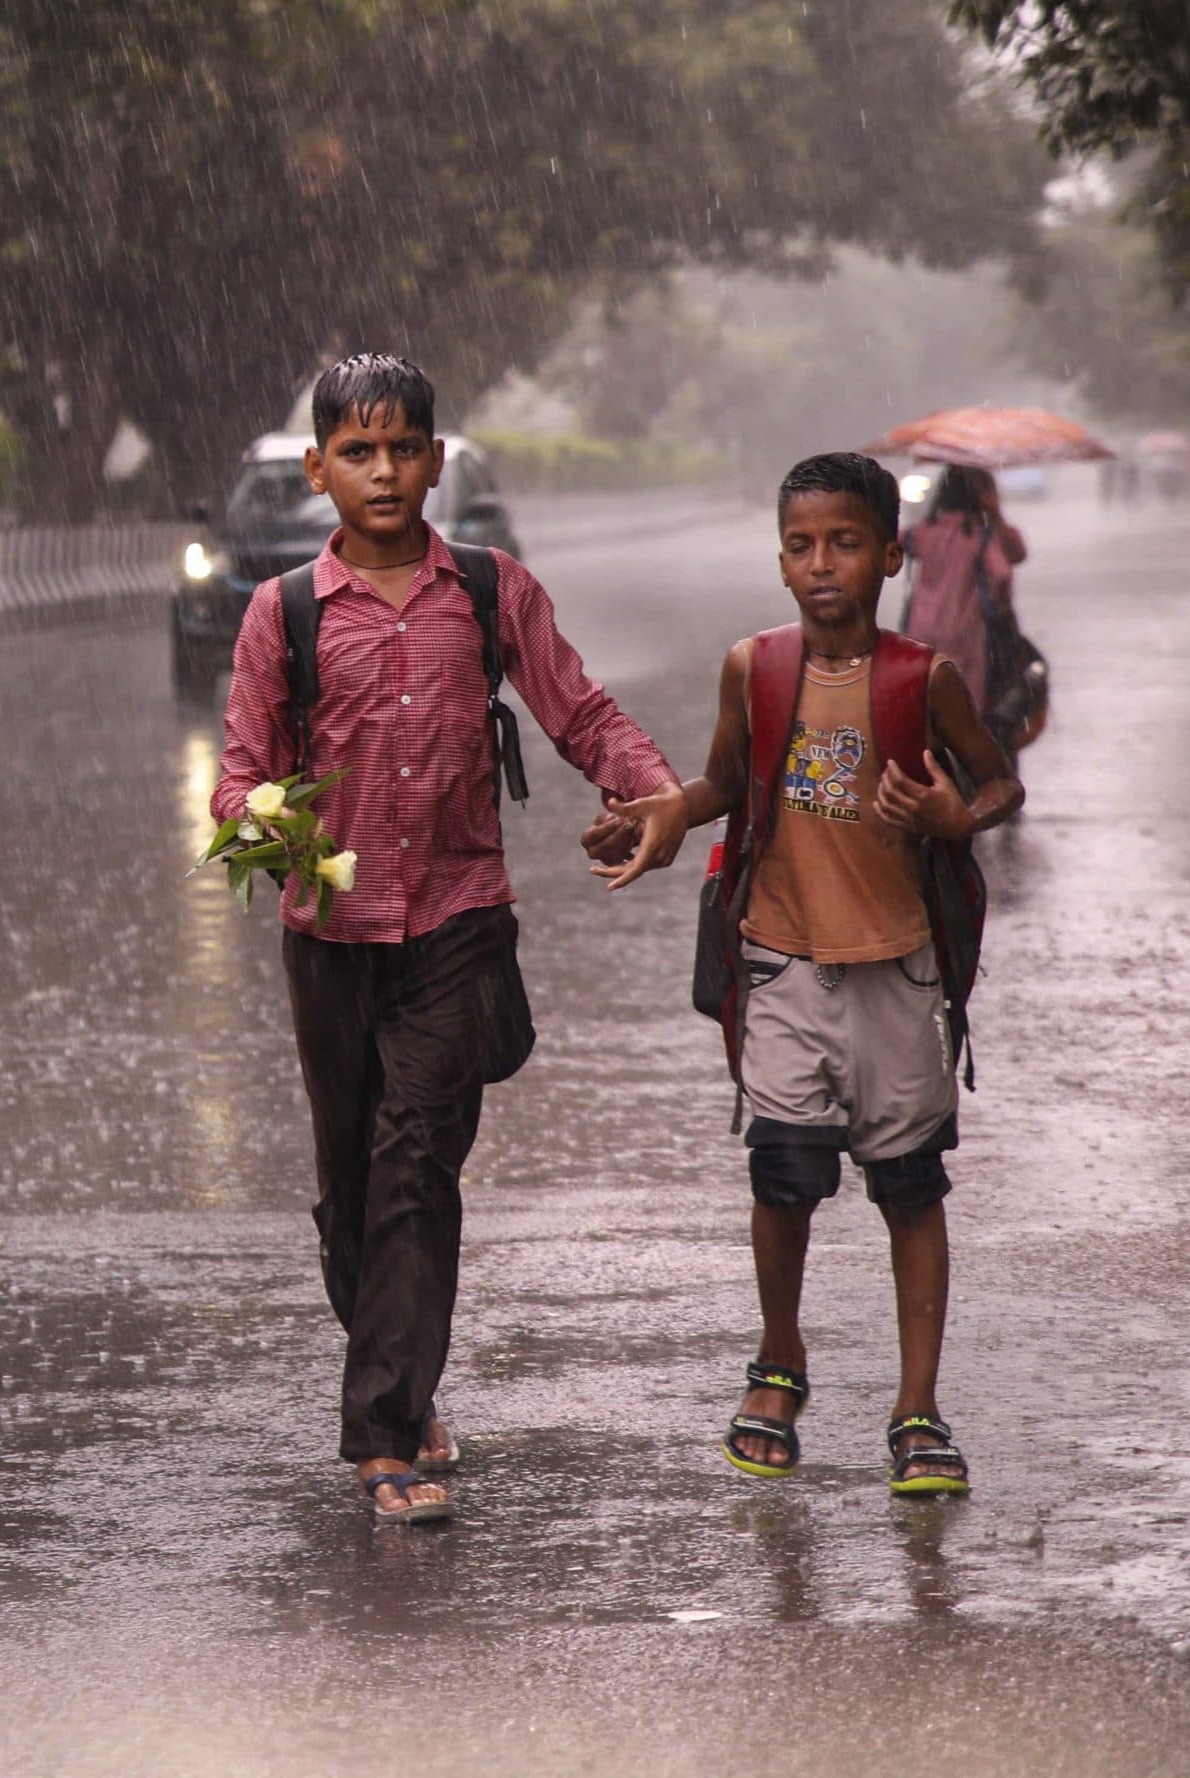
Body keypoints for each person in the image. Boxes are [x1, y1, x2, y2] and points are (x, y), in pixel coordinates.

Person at [211, 354, 687, 1525]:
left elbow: (577, 707)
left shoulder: (488, 590)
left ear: (436, 460)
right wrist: (265, 826)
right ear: (319, 468)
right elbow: (236, 779)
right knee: (349, 1192)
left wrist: (655, 790)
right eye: (358, 452)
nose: (383, 471)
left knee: (414, 1165)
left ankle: (380, 1438)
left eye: (404, 448)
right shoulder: (282, 614)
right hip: (329, 934)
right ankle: (408, 1385)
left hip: (460, 922)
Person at [666, 451, 1020, 1496]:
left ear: (889, 554)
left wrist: (954, 814)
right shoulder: (753, 668)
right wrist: (665, 814)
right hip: (780, 962)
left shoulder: (924, 679)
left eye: (845, 542)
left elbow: (998, 780)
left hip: (899, 974)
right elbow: (726, 780)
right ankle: (780, 1360)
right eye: (800, 544)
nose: (822, 564)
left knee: (908, 1188)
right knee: (782, 1177)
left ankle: (917, 1406)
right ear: (779, 561)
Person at [900, 464, 1026, 750]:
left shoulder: (923, 532)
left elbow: (894, 545)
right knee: (968, 707)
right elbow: (1007, 567)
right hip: (965, 632)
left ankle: (931, 756)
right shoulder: (980, 535)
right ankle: (967, 764)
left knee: (926, 700)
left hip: (920, 632)